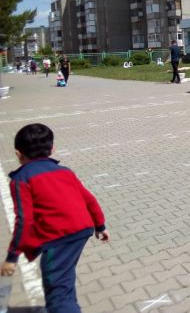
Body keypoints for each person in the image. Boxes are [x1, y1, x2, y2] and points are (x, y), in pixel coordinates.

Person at [0, 123, 109, 313]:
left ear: (18, 154)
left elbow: (24, 220)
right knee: (64, 276)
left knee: (58, 291)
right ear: (52, 149)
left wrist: (12, 256)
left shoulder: (21, 178)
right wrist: (100, 225)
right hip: (82, 230)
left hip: (59, 237)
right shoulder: (65, 171)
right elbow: (89, 199)